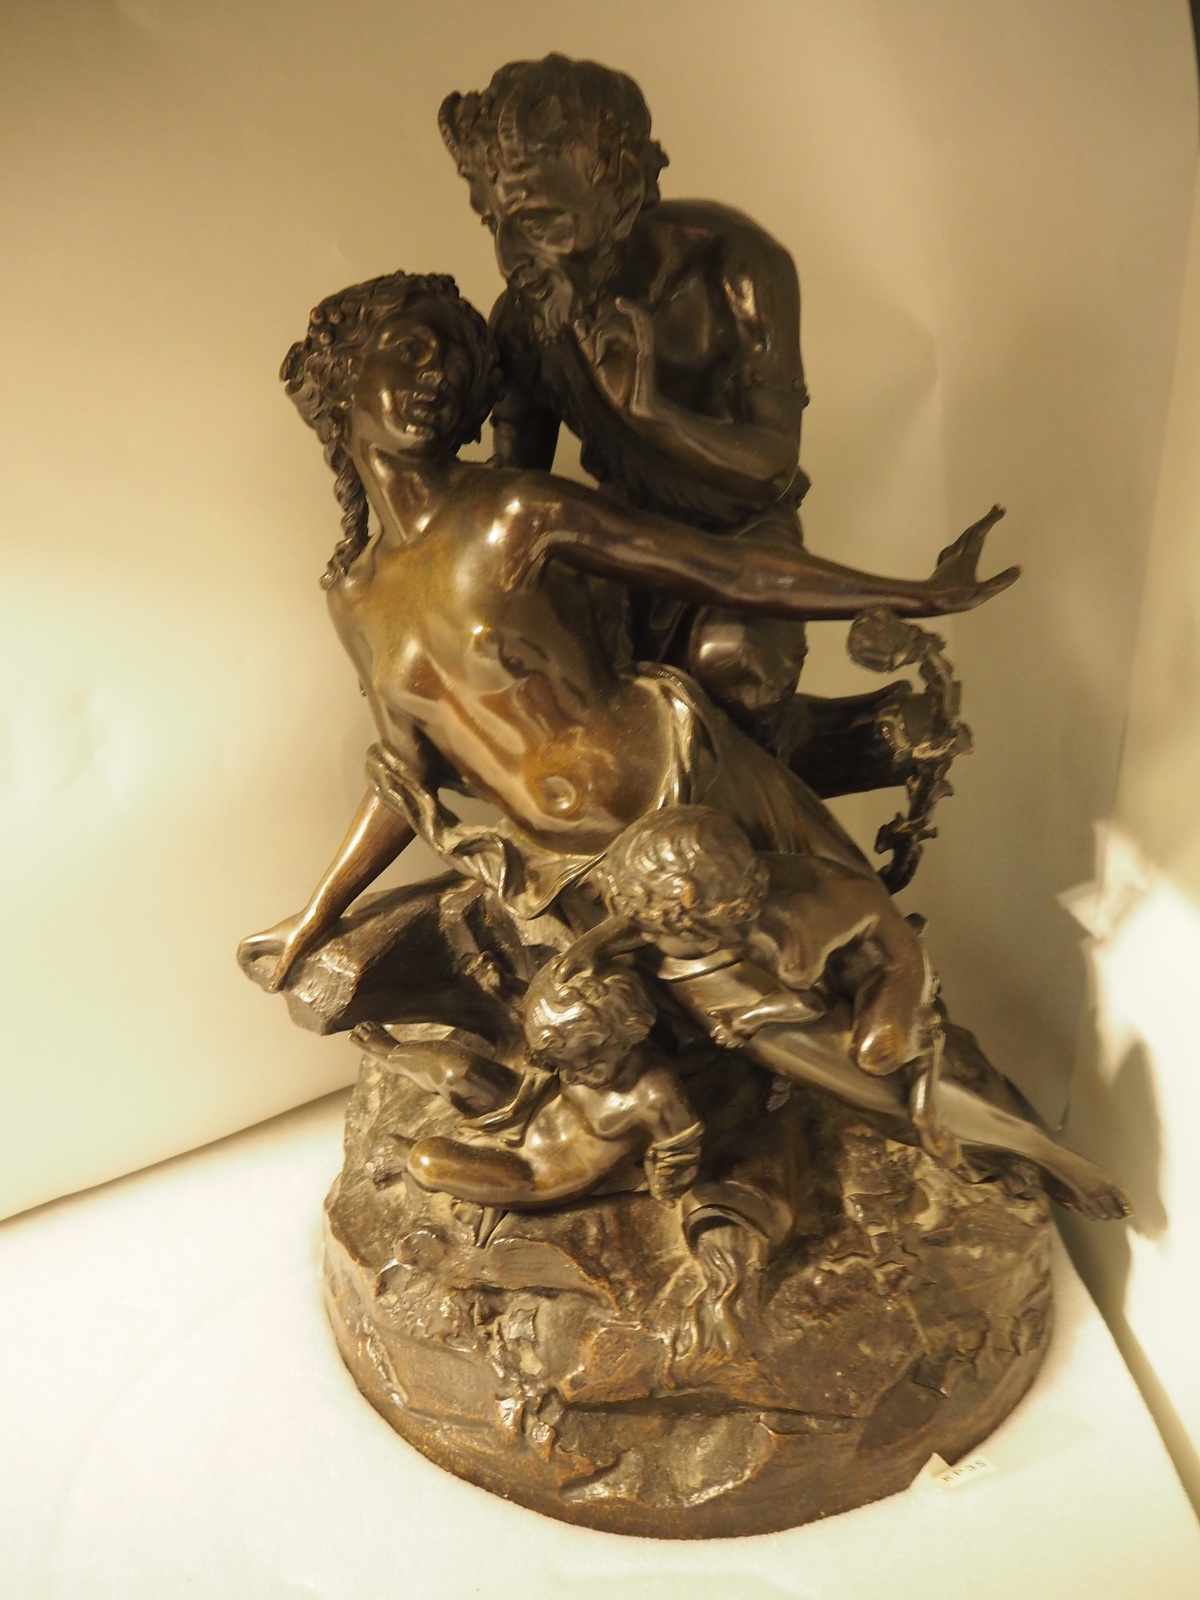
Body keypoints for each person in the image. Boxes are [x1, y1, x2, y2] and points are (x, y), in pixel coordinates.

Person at [237, 268, 1013, 997]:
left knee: (869, 981)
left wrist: (917, 596)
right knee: (755, 1033)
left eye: (455, 362)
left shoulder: (516, 512)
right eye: (411, 351)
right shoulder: (354, 595)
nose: (437, 375)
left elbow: (728, 571)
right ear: (342, 375)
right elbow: (405, 778)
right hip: (575, 876)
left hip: (691, 795)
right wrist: (316, 915)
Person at [439, 53, 981, 777]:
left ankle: (871, 744)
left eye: (540, 221)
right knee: (545, 696)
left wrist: (652, 413)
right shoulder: (527, 318)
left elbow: (770, 468)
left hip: (742, 532)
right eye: (494, 222)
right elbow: (517, 499)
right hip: (621, 541)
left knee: (732, 662)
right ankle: (853, 747)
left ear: (624, 193)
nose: (511, 257)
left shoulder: (737, 269)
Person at [560, 805, 1131, 1220]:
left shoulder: (790, 942)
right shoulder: (710, 883)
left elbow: (806, 1001)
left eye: (666, 932)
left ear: (713, 922)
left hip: (888, 969)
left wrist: (749, 1019)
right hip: (833, 950)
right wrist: (592, 946)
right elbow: (645, 914)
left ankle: (1020, 1136)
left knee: (878, 1060)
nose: (650, 938)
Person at [349, 961, 702, 1208]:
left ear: (625, 1034)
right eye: (565, 1063)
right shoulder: (580, 1051)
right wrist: (505, 992)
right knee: (457, 1071)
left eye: (589, 1063)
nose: (575, 1072)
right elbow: (545, 1038)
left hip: (531, 1172)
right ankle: (391, 1053)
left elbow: (680, 1155)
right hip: (527, 1108)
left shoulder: (655, 1094)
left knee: (427, 1160)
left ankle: (406, 1155)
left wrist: (666, 1185)